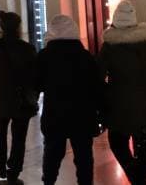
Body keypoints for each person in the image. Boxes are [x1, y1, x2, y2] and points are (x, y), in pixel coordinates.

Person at [99, 0, 146, 185]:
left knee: (117, 143)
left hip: (119, 104)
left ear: (115, 22)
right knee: (144, 147)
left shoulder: (109, 47)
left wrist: (109, 91)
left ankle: (135, 177)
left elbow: (97, 75)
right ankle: (140, 180)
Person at [35, 15, 103, 185]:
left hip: (54, 113)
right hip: (82, 114)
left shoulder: (44, 56)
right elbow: (96, 86)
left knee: (52, 152)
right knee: (84, 155)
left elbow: (37, 83)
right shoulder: (85, 56)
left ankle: (48, 181)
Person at [0, 11, 37, 185]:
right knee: (19, 137)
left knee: (0, 132)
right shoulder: (28, 48)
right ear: (19, 27)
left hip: (0, 99)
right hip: (22, 100)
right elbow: (35, 76)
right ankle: (14, 170)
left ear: (1, 27)